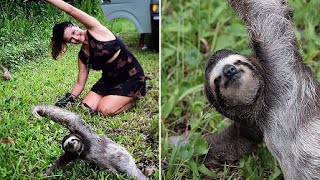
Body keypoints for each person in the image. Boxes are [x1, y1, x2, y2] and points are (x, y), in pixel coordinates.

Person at [25, 0, 146, 116]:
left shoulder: (95, 29)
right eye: (71, 40)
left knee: (104, 109)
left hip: (131, 77)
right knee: (85, 107)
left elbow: (70, 10)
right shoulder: (83, 55)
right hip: (109, 81)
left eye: (73, 33)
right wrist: (69, 99)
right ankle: (115, 97)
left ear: (75, 25)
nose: (75, 38)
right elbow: (80, 83)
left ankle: (133, 98)